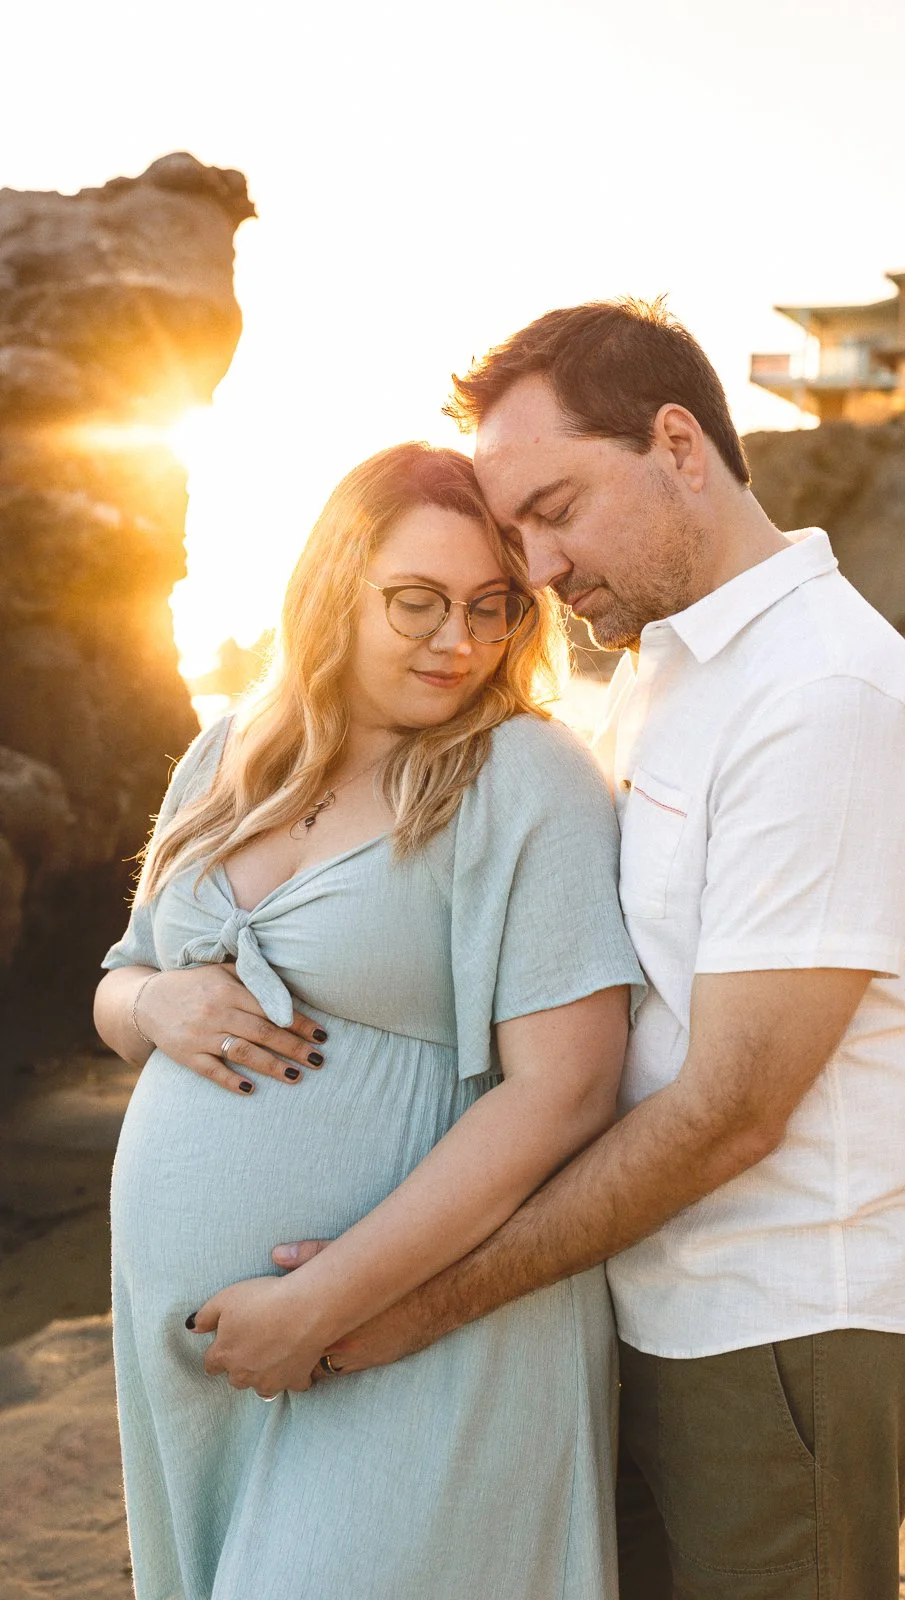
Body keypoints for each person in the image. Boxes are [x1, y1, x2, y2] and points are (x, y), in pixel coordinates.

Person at [272, 301, 905, 1600]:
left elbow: (730, 1111)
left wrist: (413, 1301)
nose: (536, 566)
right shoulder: (669, 661)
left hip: (789, 1317)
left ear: (676, 445)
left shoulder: (817, 690)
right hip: (660, 1298)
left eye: (555, 506)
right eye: (513, 531)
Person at [93, 441, 644, 1600]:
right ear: (331, 585)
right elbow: (115, 986)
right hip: (198, 1358)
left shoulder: (517, 774)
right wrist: (158, 999)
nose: (461, 640)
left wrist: (316, 1308)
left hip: (405, 1336)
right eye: (418, 603)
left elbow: (566, 1092)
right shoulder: (227, 753)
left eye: (492, 608)